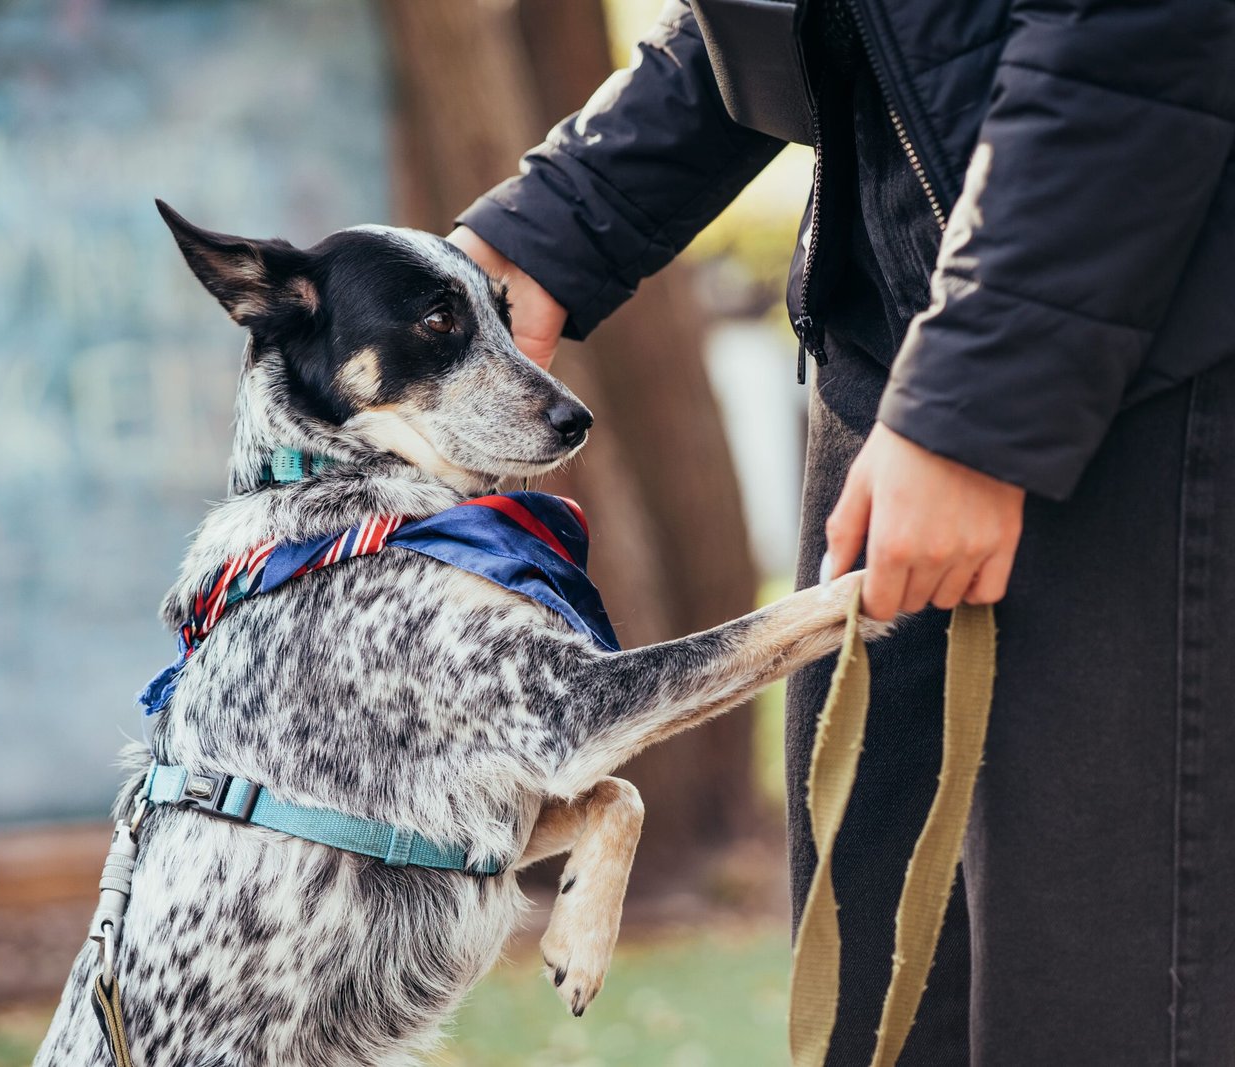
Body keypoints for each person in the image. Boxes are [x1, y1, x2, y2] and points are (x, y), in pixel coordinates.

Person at [449, 0, 1235, 1062]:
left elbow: (1134, 31)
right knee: (879, 1002)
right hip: (894, 353)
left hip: (1140, 372)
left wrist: (980, 410)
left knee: (1098, 1006)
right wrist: (554, 221)